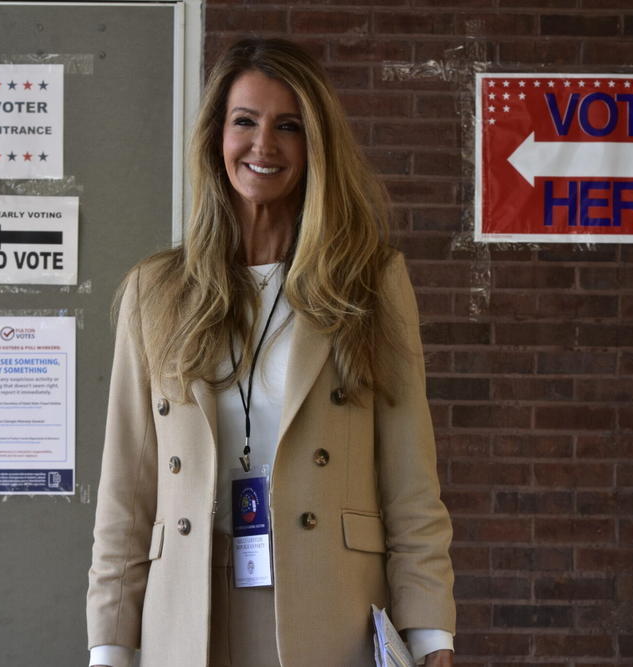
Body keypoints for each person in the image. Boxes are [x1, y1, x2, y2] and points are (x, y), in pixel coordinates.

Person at [87, 38, 455, 667]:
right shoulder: (157, 290)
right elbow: (126, 489)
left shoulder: (369, 283)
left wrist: (431, 637)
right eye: (245, 122)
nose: (265, 145)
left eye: (289, 126)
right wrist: (109, 648)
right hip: (188, 612)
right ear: (215, 138)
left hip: (328, 609)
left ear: (316, 147)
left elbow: (411, 482)